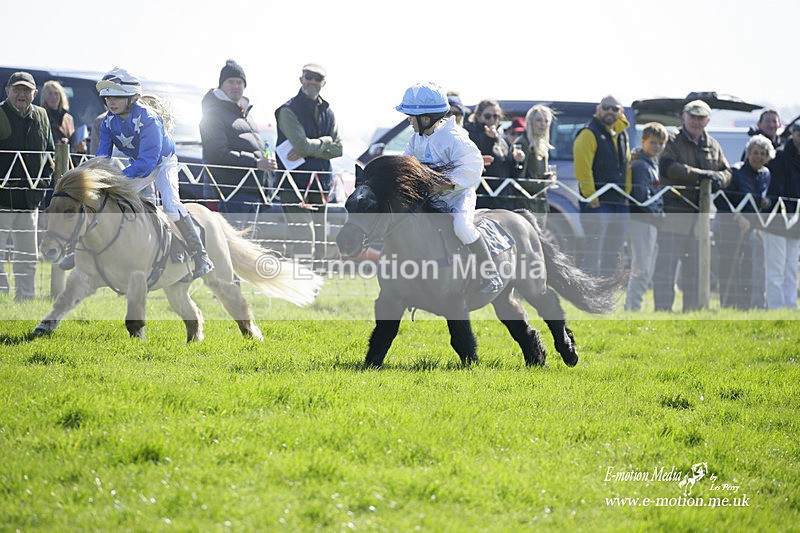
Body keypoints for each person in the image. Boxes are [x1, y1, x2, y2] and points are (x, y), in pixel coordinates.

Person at [95, 67, 212, 279]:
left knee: (171, 205)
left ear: (131, 97)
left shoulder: (149, 119)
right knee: (109, 199)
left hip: (163, 163)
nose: (111, 102)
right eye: (108, 97)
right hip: (140, 164)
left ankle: (201, 256)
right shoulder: (108, 122)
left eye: (117, 97)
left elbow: (147, 164)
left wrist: (116, 178)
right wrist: (95, 177)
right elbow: (102, 158)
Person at [397, 82, 502, 293]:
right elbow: (405, 163)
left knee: (462, 227)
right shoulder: (416, 139)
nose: (408, 120)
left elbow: (473, 167)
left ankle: (491, 274)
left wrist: (441, 184)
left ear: (426, 119)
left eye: (411, 116)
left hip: (458, 196)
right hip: (431, 197)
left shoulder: (455, 138)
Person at [653, 99, 731, 312]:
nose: (696, 122)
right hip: (674, 214)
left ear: (707, 121)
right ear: (683, 117)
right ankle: (662, 310)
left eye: (700, 118)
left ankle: (693, 310)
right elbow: (668, 167)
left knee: (696, 267)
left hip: (701, 218)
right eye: (693, 117)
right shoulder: (671, 140)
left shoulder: (713, 145)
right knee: (667, 266)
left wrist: (719, 179)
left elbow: (727, 172)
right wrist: (703, 175)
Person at [275, 63, 342, 259]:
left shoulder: (328, 111)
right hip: (293, 184)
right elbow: (302, 146)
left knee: (320, 244)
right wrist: (326, 142)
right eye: (308, 77)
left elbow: (338, 149)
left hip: (320, 183)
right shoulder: (287, 110)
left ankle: (314, 279)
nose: (312, 81)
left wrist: (310, 148)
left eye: (317, 78)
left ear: (324, 83)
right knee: (304, 240)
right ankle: (300, 278)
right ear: (301, 79)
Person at [200, 59, 277, 230]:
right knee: (232, 244)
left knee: (247, 244)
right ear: (221, 85)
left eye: (239, 82)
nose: (236, 86)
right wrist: (256, 163)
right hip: (230, 194)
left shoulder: (246, 114)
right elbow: (217, 153)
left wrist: (267, 161)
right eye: (231, 81)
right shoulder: (213, 115)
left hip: (253, 192)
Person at [0, 71, 54, 300]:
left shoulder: (42, 115)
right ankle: (2, 297)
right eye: (17, 89)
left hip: (30, 200)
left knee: (28, 255)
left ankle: (26, 299)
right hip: (2, 200)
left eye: (26, 90)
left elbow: (50, 154)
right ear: (7, 91)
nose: (21, 94)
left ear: (35, 93)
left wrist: (41, 186)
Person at [573, 95, 631, 278]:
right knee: (593, 253)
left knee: (614, 254)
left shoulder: (622, 134)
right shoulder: (588, 133)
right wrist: (591, 197)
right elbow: (583, 170)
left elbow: (626, 166)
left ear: (621, 112)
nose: (610, 112)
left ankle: (607, 291)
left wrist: (626, 194)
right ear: (598, 108)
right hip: (597, 204)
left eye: (615, 109)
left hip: (619, 202)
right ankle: (586, 291)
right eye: (606, 107)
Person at [714, 134, 773, 309]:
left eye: (763, 153)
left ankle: (745, 306)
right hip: (730, 226)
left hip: (752, 227)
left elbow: (762, 197)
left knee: (748, 266)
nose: (759, 157)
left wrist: (765, 202)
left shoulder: (766, 174)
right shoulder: (736, 171)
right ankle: (728, 305)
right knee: (729, 265)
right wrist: (738, 217)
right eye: (755, 152)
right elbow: (720, 198)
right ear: (748, 153)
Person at [625, 122, 668, 311]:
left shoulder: (652, 163)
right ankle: (633, 308)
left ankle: (633, 306)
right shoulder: (641, 166)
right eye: (653, 142)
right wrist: (658, 212)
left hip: (650, 221)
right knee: (642, 268)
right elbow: (642, 197)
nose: (657, 146)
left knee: (646, 267)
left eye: (660, 143)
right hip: (642, 220)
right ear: (643, 141)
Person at [761, 122, 800, 309]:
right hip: (776, 219)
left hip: (797, 221)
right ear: (793, 134)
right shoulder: (779, 156)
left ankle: (790, 307)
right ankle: (775, 307)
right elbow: (775, 189)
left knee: (791, 268)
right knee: (775, 268)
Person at [465, 99, 517, 209]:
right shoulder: (469, 135)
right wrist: (489, 139)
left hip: (502, 198)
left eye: (496, 116)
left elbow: (508, 169)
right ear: (478, 116)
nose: (492, 120)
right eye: (488, 116)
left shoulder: (501, 138)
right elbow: (482, 161)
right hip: (481, 199)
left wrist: (518, 161)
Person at [511, 104, 556, 221]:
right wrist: (544, 184)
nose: (543, 124)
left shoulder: (542, 143)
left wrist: (546, 178)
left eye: (546, 121)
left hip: (539, 203)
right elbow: (518, 180)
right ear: (530, 122)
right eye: (539, 120)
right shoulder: (523, 144)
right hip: (526, 206)